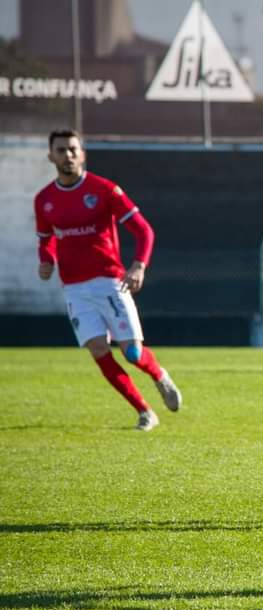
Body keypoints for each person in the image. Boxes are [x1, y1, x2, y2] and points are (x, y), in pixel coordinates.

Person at [35, 129, 182, 432]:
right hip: (74, 288)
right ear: (51, 156)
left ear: (83, 153)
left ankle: (159, 376)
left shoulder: (104, 190)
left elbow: (144, 230)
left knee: (132, 352)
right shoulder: (44, 200)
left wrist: (139, 265)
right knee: (99, 351)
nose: (68, 155)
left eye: (73, 149)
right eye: (61, 150)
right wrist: (47, 260)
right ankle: (144, 412)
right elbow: (46, 239)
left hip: (110, 282)